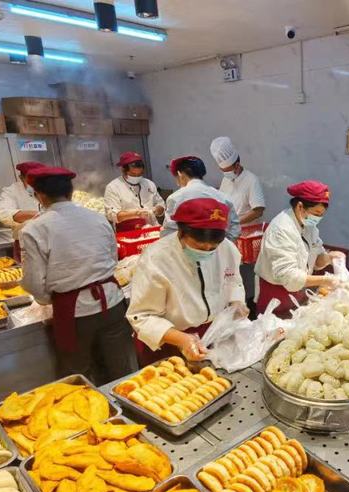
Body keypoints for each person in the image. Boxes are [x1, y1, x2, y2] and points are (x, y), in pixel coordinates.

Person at [20, 166, 137, 384]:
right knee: (120, 368)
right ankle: (124, 403)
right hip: (113, 304)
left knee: (79, 374)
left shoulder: (34, 229)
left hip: (74, 313)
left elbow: (33, 282)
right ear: (71, 191)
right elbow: (113, 259)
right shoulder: (98, 218)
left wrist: (48, 299)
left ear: (40, 195)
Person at [127, 198, 247, 365]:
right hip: (168, 341)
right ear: (181, 232)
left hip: (213, 334)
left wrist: (237, 302)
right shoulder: (157, 258)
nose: (206, 252)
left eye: (212, 248)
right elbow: (141, 316)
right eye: (199, 246)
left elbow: (233, 280)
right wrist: (182, 339)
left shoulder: (226, 248)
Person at [254, 180, 338, 317]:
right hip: (276, 295)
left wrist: (330, 258)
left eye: (321, 215)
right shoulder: (281, 229)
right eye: (316, 213)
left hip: (298, 291)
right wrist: (325, 280)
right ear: (300, 206)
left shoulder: (309, 227)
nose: (318, 218)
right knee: (273, 328)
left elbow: (316, 261)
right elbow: (288, 276)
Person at [161, 155, 240, 241]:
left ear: (180, 174)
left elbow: (168, 234)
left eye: (176, 178)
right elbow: (235, 228)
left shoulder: (176, 198)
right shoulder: (222, 197)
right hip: (218, 247)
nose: (177, 183)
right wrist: (221, 245)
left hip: (187, 249)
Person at [0, 161, 43, 261]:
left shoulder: (50, 188)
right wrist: (38, 215)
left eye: (38, 180)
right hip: (25, 244)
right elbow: (3, 213)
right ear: (21, 178)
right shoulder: (12, 191)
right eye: (30, 180)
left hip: (52, 242)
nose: (35, 184)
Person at [210, 136, 266, 226]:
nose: (226, 174)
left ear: (237, 165)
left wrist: (234, 222)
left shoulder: (251, 180)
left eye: (228, 171)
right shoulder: (226, 179)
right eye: (223, 171)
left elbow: (258, 211)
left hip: (246, 231)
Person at [104, 151, 165, 232]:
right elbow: (111, 215)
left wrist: (156, 210)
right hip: (128, 232)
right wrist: (135, 213)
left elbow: (161, 205)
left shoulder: (149, 184)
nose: (136, 177)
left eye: (139, 174)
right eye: (133, 174)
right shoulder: (113, 187)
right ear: (123, 170)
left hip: (152, 228)